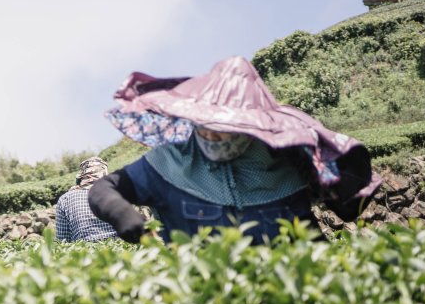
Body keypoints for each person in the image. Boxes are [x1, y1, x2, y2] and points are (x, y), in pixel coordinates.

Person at [88, 56, 381, 244]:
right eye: (206, 125)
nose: (214, 136)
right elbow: (104, 189)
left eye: (227, 129)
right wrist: (121, 213)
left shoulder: (287, 157)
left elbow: (343, 206)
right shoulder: (172, 159)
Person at [54, 157, 119, 242]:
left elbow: (63, 240)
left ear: (82, 176)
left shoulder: (65, 199)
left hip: (84, 252)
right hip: (117, 249)